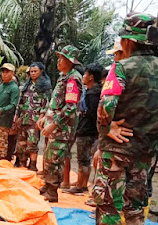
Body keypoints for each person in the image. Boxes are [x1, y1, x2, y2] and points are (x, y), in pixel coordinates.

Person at [93, 13, 158, 225]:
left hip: (117, 151)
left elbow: (106, 106)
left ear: (129, 40)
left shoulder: (122, 67)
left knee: (109, 206)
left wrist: (106, 128)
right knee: (135, 209)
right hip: (146, 151)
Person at [37, 45, 83, 202]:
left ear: (70, 61)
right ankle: (48, 185)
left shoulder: (73, 79)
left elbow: (70, 107)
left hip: (62, 128)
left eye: (61, 58)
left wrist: (54, 124)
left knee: (56, 158)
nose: (58, 61)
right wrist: (46, 117)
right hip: (55, 125)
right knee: (49, 157)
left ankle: (52, 191)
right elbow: (55, 102)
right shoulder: (63, 77)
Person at [64, 63, 102, 195]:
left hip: (87, 130)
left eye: (85, 74)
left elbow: (93, 114)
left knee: (83, 159)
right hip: (88, 129)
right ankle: (83, 183)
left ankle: (81, 185)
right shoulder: (93, 91)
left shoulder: (93, 94)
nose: (83, 77)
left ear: (91, 77)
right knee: (85, 159)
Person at [15, 62, 52, 170]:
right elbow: (20, 102)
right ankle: (22, 164)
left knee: (32, 144)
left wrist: (40, 118)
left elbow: (46, 104)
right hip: (23, 118)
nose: (33, 73)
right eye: (31, 71)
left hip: (35, 120)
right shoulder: (27, 86)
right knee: (21, 143)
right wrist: (17, 116)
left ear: (41, 72)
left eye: (35, 71)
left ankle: (32, 165)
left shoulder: (45, 87)